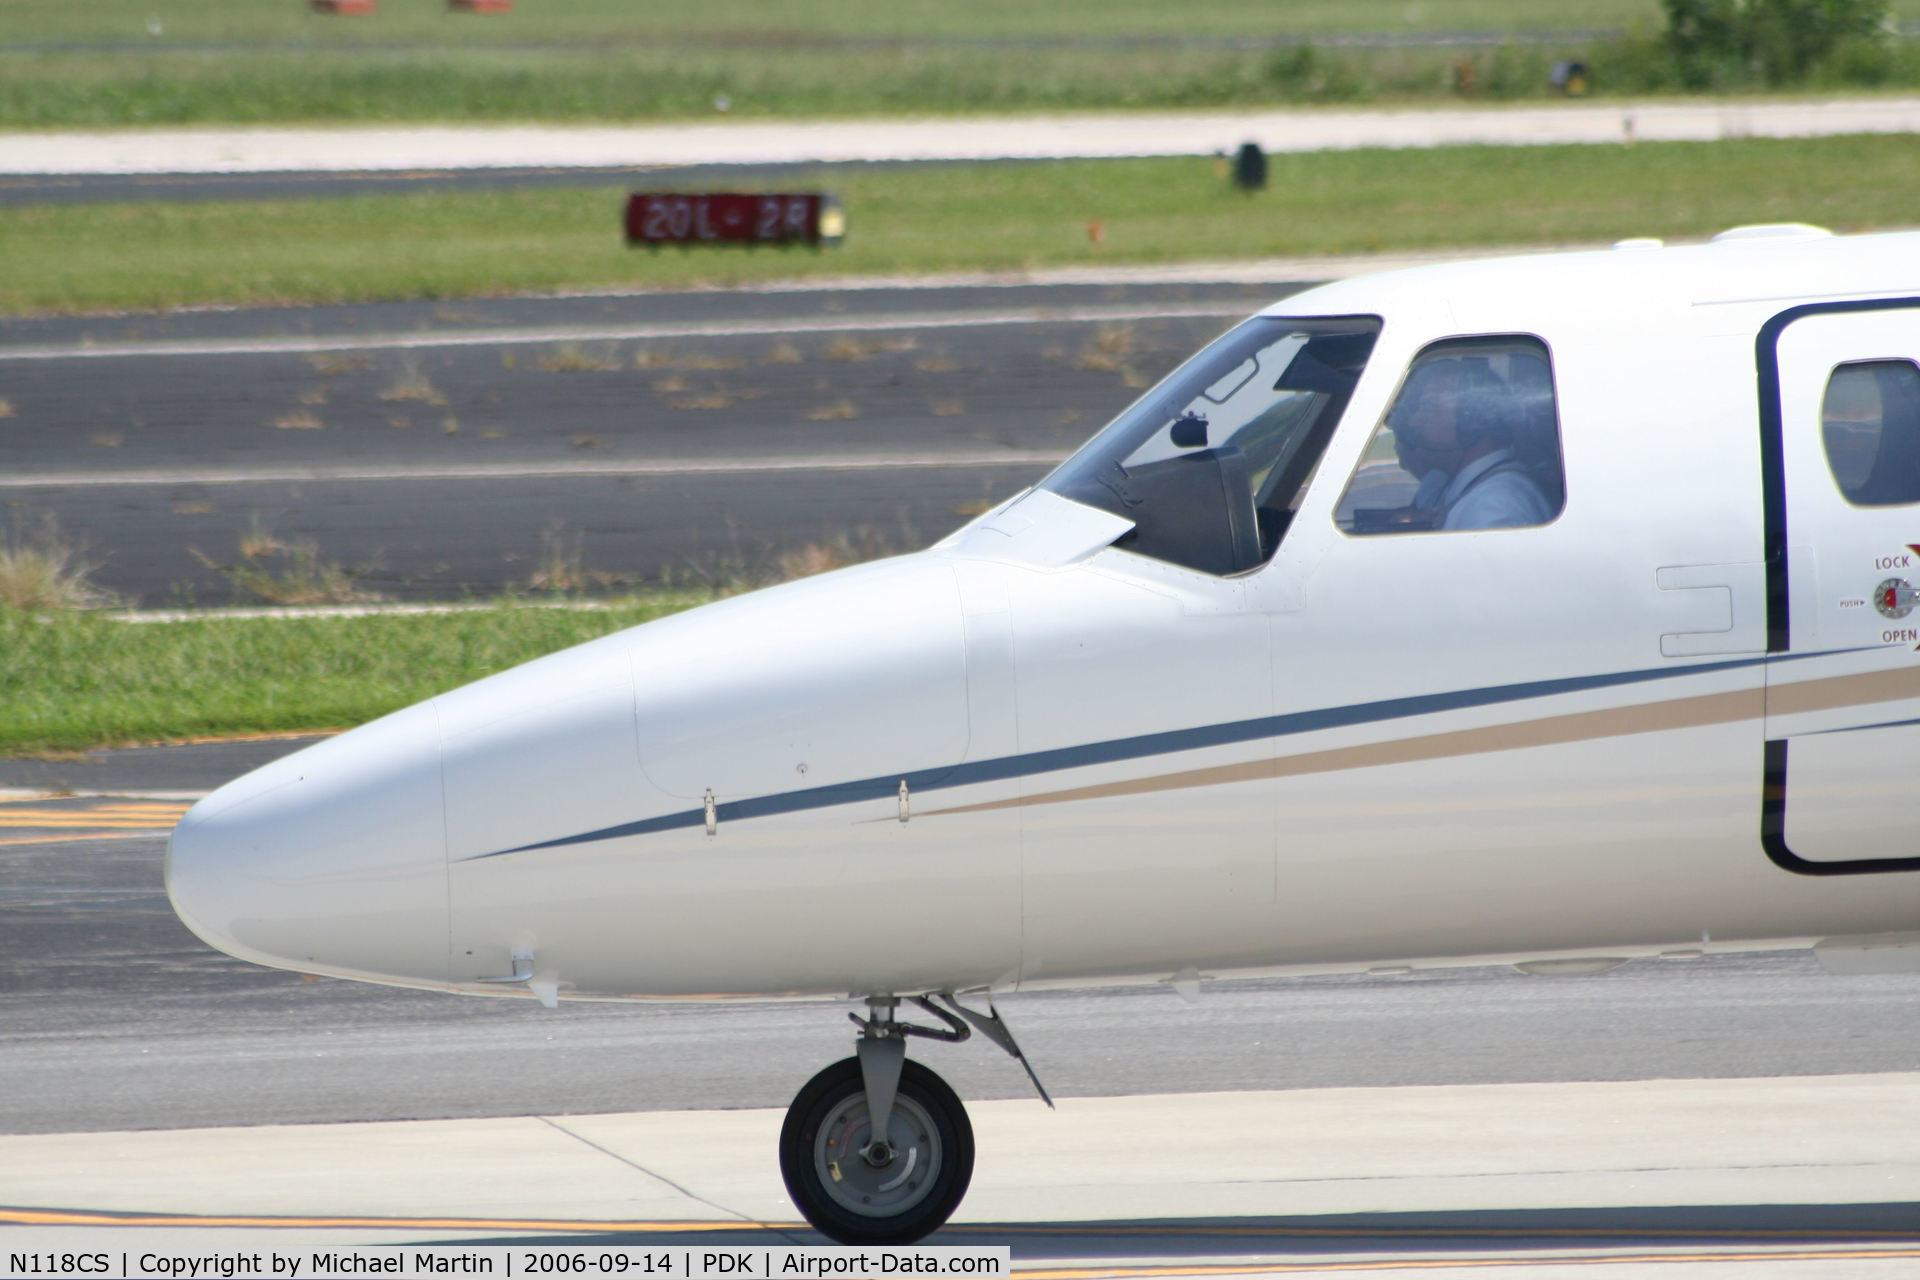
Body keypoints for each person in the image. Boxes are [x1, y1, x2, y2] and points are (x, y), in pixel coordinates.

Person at [1388, 358, 1554, 531]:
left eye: (1428, 408)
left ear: (1471, 421)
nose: (1415, 421)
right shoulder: (1470, 489)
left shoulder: (1496, 504)